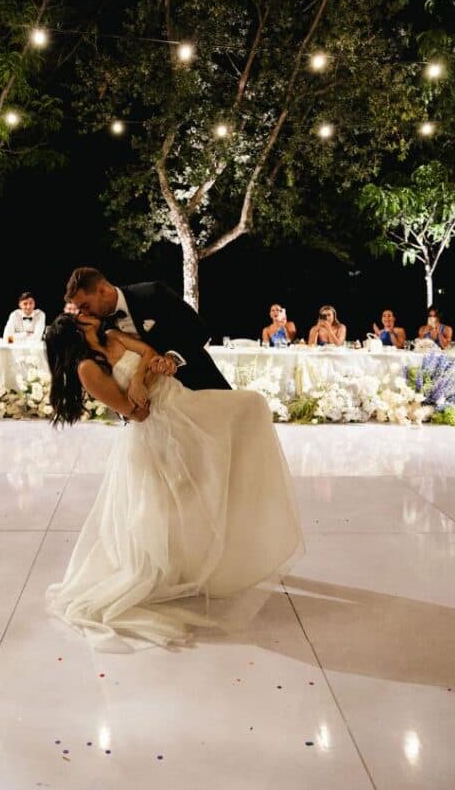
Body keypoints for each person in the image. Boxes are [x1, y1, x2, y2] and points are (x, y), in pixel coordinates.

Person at [44, 310, 304, 651]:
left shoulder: (113, 338)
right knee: (173, 503)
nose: (86, 316)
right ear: (75, 331)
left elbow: (150, 355)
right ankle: (180, 568)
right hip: (158, 427)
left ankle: (220, 549)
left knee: (251, 406)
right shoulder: (87, 368)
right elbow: (135, 411)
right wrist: (143, 378)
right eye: (78, 318)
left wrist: (140, 378)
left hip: (184, 401)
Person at [64, 266, 231, 390]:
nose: (84, 313)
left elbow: (199, 330)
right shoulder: (101, 327)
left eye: (86, 305)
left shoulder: (153, 294)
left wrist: (172, 358)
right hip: (158, 408)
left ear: (103, 291)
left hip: (198, 382)